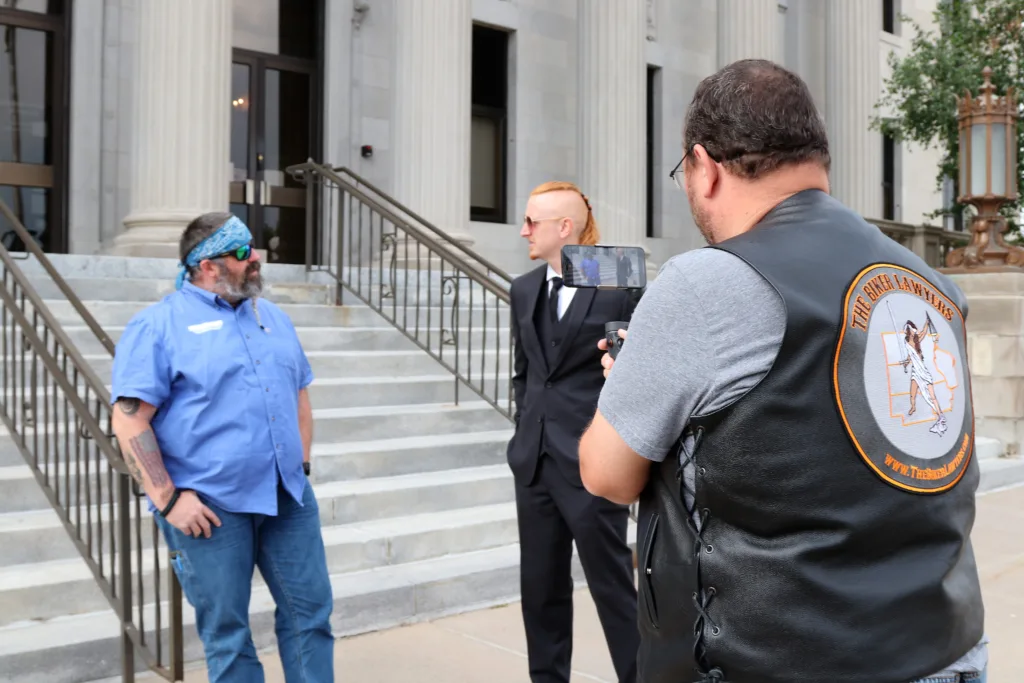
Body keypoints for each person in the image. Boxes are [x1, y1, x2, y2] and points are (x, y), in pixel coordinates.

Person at [577, 59, 988, 683]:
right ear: (815, 159)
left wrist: (634, 381)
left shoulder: (705, 279)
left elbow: (606, 475)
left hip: (785, 661)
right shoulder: (933, 284)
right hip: (948, 648)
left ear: (704, 167)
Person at [110, 212, 334, 683]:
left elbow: (299, 393)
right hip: (210, 509)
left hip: (287, 497)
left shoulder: (272, 316)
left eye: (252, 248)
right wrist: (168, 499)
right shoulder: (157, 326)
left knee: (310, 618)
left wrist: (302, 463)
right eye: (241, 252)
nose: (255, 259)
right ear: (207, 266)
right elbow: (130, 421)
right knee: (228, 635)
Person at [509, 181, 641, 683]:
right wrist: (526, 430)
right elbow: (525, 372)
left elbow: (633, 368)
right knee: (540, 590)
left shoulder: (616, 282)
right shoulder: (523, 288)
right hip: (534, 462)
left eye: (532, 222)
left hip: (592, 465)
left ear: (565, 228)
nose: (523, 230)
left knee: (613, 589)